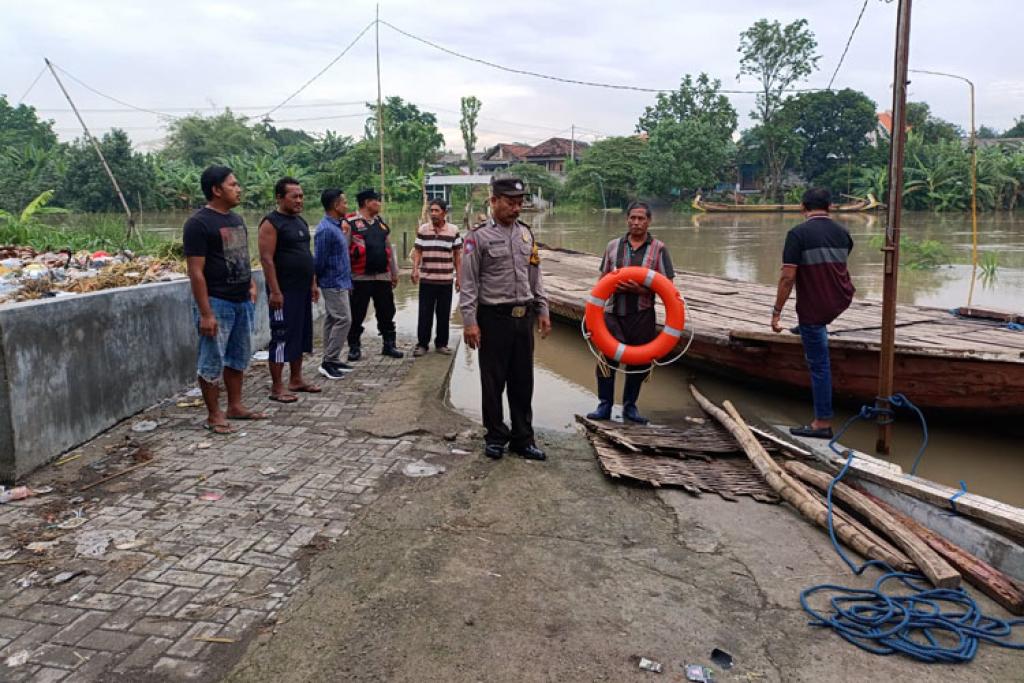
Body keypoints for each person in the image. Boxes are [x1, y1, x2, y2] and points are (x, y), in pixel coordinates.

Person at [460, 176, 551, 461]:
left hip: (523, 317)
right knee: (493, 381)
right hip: (493, 318)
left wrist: (543, 309)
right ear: (494, 201)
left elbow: (535, 276)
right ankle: (496, 435)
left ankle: (523, 439)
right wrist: (469, 322)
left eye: (519, 203)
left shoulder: (526, 235)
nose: (516, 208)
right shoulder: (477, 238)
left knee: (523, 381)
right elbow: (469, 283)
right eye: (510, 203)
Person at [183, 165, 266, 434]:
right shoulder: (198, 224)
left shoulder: (236, 220)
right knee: (211, 360)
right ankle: (214, 414)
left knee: (238, 357)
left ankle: (235, 406)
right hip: (217, 301)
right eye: (233, 185)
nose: (238, 189)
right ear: (216, 190)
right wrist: (206, 313)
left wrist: (251, 282)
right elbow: (195, 271)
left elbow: (240, 256)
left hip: (242, 299)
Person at [772, 187, 855, 439]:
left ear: (802, 208)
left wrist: (776, 312)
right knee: (813, 323)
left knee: (819, 365)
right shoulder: (843, 233)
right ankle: (807, 327)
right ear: (829, 207)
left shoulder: (798, 234)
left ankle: (822, 422)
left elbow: (787, 278)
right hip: (840, 299)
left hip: (815, 309)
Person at [586, 202, 675, 425]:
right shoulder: (613, 246)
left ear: (649, 221)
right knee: (606, 358)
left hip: (642, 314)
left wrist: (640, 289)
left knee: (639, 362)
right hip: (613, 312)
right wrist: (591, 314)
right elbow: (603, 280)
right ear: (627, 219)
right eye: (632, 218)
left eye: (641, 219)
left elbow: (668, 286)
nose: (636, 222)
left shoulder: (659, 249)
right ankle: (604, 405)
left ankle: (630, 406)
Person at [258, 176, 321, 403]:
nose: (299, 200)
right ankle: (277, 387)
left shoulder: (300, 222)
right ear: (279, 197)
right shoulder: (271, 223)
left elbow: (307, 256)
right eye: (294, 196)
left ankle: (296, 379)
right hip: (284, 291)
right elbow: (266, 259)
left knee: (301, 335)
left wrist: (313, 283)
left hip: (302, 289)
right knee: (282, 336)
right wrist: (275, 291)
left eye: (301, 196)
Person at [345, 188, 403, 359]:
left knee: (387, 311)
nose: (379, 204)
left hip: (382, 276)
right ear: (366, 203)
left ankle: (389, 344)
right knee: (357, 313)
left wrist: (394, 272)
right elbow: (344, 252)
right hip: (360, 277)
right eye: (376, 200)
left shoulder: (380, 223)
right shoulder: (350, 223)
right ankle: (354, 346)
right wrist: (346, 278)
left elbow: (388, 250)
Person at [411, 199, 463, 356]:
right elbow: (418, 251)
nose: (433, 214)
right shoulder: (423, 230)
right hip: (427, 279)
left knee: (443, 313)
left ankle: (441, 344)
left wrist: (459, 278)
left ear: (444, 213)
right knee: (424, 314)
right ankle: (422, 344)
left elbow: (457, 256)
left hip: (445, 279)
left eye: (436, 211)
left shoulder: (453, 230)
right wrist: (415, 269)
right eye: (431, 211)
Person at [314, 188, 355, 380]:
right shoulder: (325, 230)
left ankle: (332, 358)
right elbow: (319, 261)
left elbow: (340, 255)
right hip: (332, 282)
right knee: (344, 319)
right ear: (335, 205)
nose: (347, 206)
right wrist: (316, 281)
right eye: (344, 202)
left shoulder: (337, 226)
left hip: (341, 280)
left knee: (332, 319)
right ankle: (328, 361)